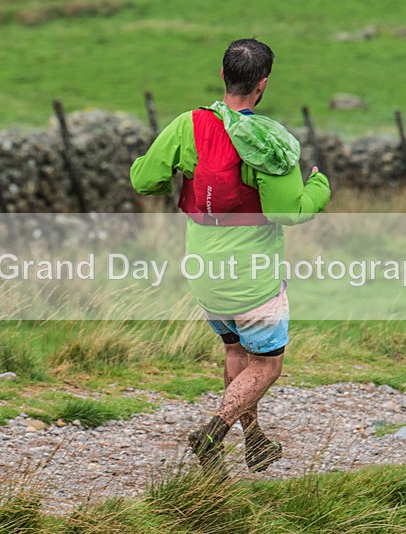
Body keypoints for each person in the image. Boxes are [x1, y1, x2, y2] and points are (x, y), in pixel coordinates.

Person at [130, 38, 330, 474]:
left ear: (223, 75)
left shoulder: (188, 124)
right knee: (267, 365)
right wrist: (319, 186)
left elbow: (144, 181)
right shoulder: (269, 141)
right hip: (252, 277)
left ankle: (255, 441)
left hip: (204, 271)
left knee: (237, 352)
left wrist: (169, 168)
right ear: (263, 84)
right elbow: (288, 212)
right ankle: (212, 433)